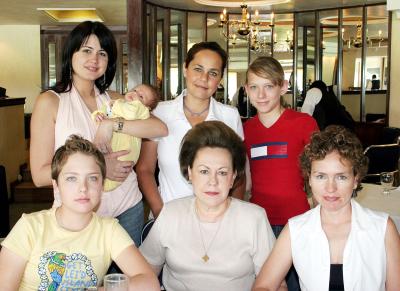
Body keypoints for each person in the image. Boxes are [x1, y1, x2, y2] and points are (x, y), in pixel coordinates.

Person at [30, 21, 168, 246]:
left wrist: (112, 124)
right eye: (86, 50)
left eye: (102, 53)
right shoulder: (50, 102)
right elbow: (39, 175)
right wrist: (100, 166)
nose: (94, 60)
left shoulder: (114, 99)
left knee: (127, 279)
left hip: (127, 207)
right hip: (79, 212)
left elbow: (159, 128)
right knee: (83, 279)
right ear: (71, 53)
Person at [0, 136, 160, 290]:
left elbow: (149, 283)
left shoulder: (108, 230)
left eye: (92, 178)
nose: (83, 187)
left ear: (102, 185)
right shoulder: (30, 227)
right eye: (71, 178)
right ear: (56, 185)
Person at [252, 125, 400, 291]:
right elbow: (264, 285)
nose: (330, 188)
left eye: (341, 177)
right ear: (309, 178)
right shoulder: (295, 229)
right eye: (321, 176)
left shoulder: (383, 228)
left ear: (356, 179)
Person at [140, 121, 276, 291]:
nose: (213, 182)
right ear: (190, 172)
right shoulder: (170, 213)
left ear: (233, 177)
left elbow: (274, 284)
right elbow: (144, 272)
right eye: (204, 171)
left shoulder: (254, 218)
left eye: (222, 172)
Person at [136, 41, 245, 218]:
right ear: (185, 68)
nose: (204, 78)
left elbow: (238, 174)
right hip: (168, 216)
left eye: (213, 73)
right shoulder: (160, 113)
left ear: (220, 79)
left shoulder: (230, 116)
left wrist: (231, 217)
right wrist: (160, 213)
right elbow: (144, 169)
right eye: (198, 69)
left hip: (217, 219)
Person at [243, 56, 318, 291]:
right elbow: (244, 180)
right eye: (254, 87)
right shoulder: (246, 129)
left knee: (299, 285)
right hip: (259, 224)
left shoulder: (304, 123)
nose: (261, 95)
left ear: (283, 87)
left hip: (297, 221)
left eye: (269, 86)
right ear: (246, 90)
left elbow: (320, 170)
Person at [92, 84, 161, 192]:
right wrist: (98, 115)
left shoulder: (141, 110)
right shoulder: (118, 103)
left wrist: (113, 106)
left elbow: (130, 113)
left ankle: (105, 184)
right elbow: (103, 111)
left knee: (119, 165)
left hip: (126, 152)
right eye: (135, 90)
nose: (135, 94)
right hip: (114, 144)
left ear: (147, 107)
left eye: (141, 96)